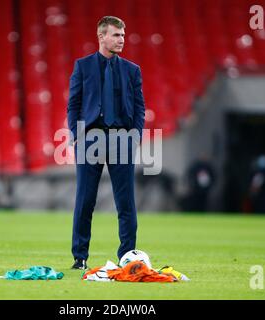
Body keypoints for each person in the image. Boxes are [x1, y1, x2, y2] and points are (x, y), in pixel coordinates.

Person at [67, 16, 145, 269]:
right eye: (116, 35)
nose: (121, 40)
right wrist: (76, 133)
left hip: (122, 139)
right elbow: (74, 104)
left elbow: (139, 107)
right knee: (85, 200)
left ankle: (127, 256)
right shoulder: (83, 66)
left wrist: (136, 135)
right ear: (101, 36)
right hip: (90, 138)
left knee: (126, 203)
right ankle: (80, 257)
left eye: (123, 35)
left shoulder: (132, 70)